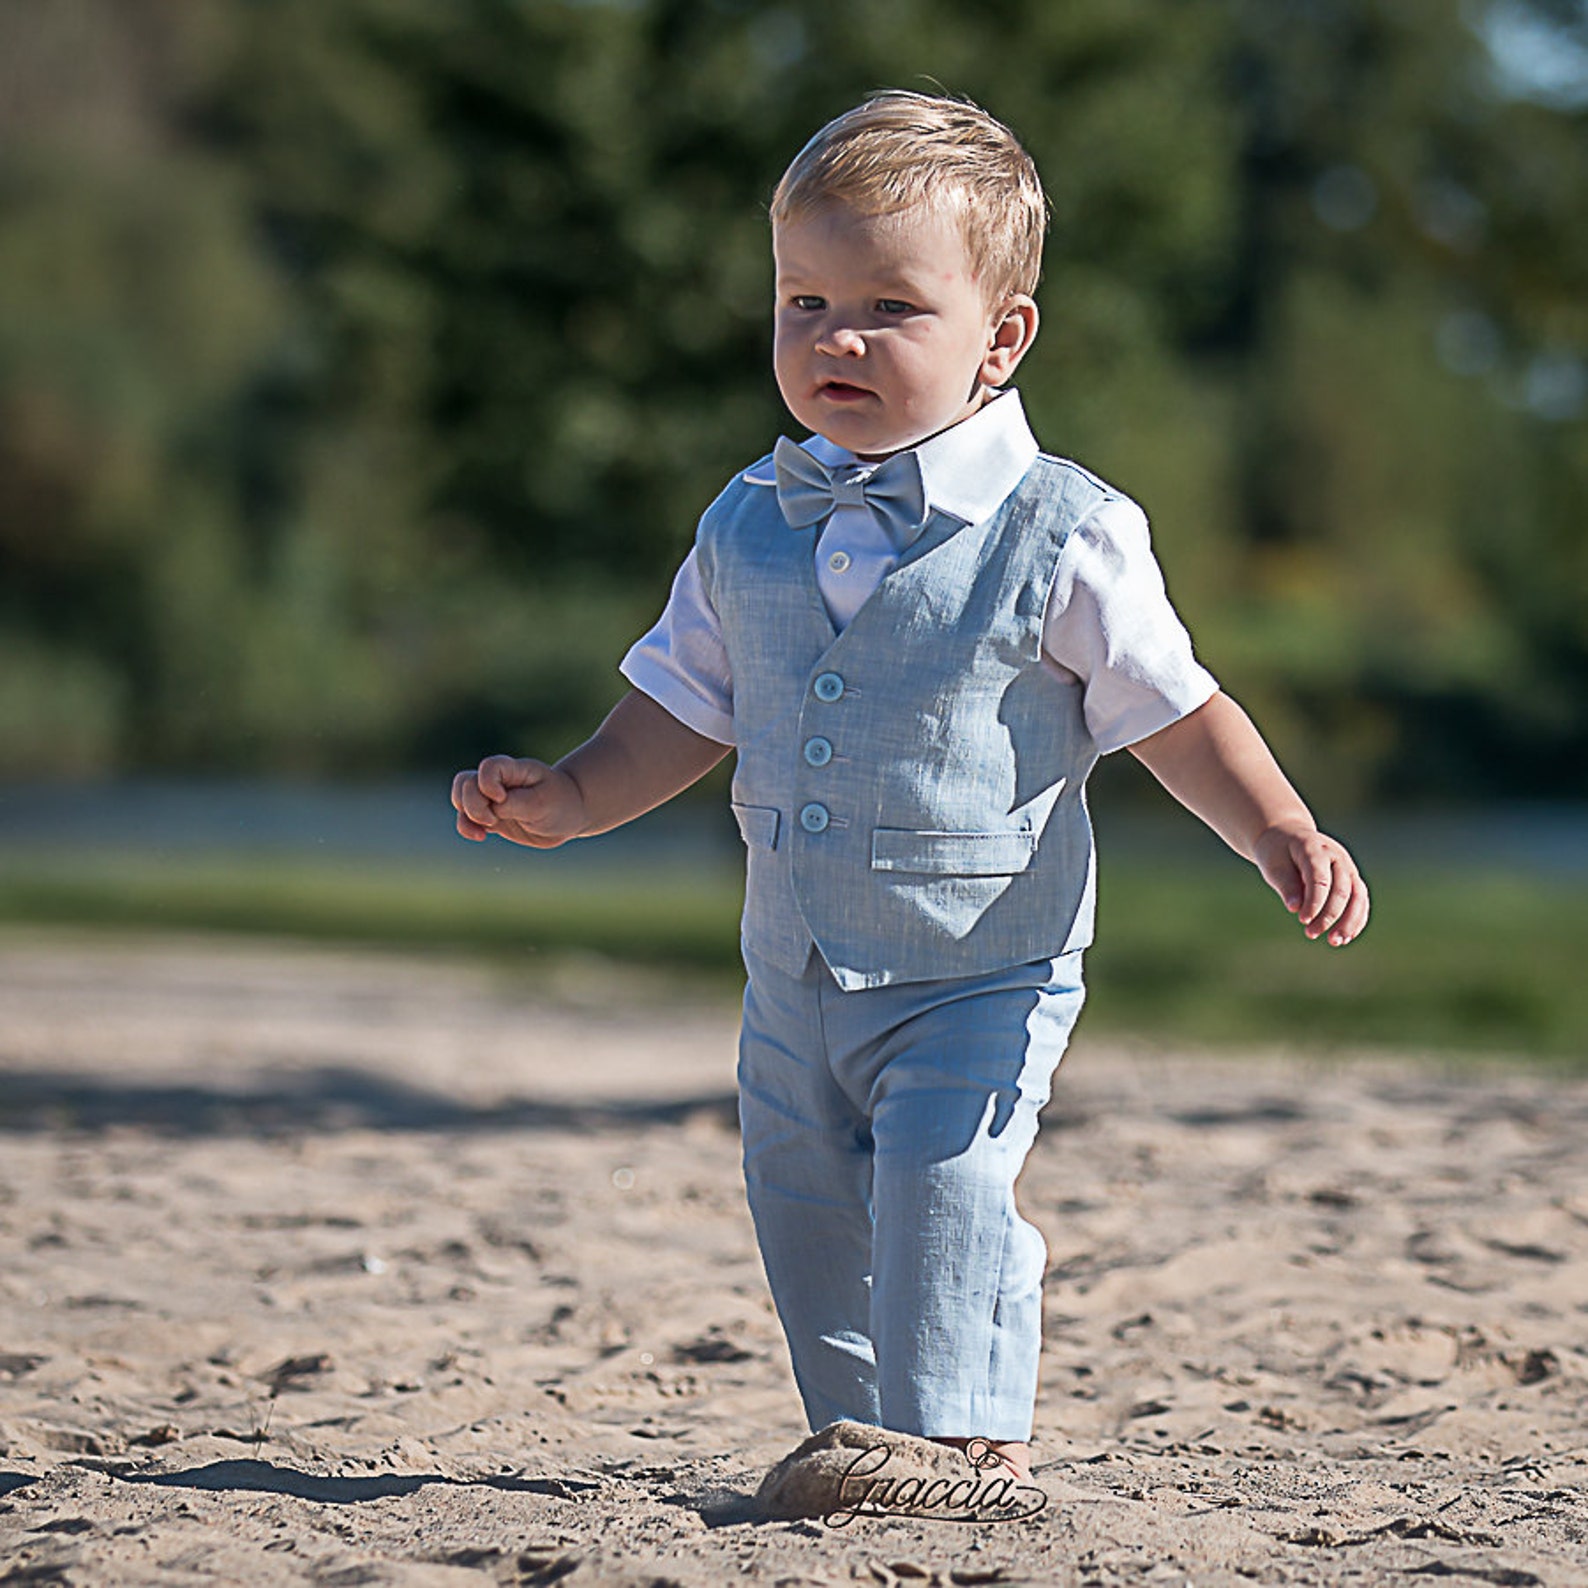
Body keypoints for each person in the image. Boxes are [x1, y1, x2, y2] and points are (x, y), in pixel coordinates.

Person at [451, 90, 1369, 1489]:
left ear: (1001, 340)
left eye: (890, 305)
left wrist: (1280, 828)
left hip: (979, 966)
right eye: (804, 300)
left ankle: (960, 1435)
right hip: (792, 969)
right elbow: (682, 710)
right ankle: (863, 1431)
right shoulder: (749, 520)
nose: (837, 338)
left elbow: (1178, 715)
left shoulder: (1067, 531)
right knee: (805, 1200)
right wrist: (571, 793)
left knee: (945, 1188)